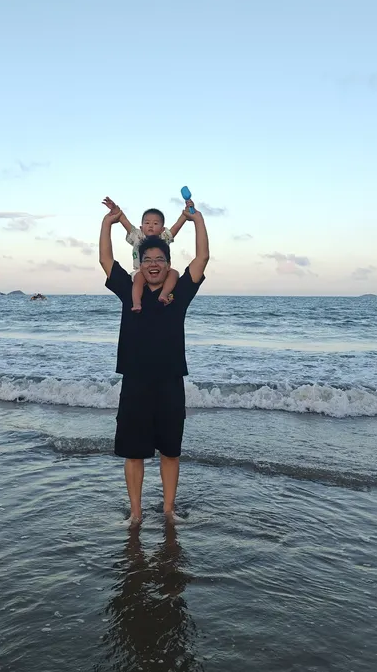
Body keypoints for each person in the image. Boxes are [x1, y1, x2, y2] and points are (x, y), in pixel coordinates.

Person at [99, 197, 209, 524]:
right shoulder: (128, 290)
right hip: (134, 382)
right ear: (141, 263)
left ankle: (168, 510)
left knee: (170, 451)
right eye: (147, 259)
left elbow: (202, 257)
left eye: (160, 259)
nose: (153, 264)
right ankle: (135, 513)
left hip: (171, 381)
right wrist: (107, 223)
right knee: (134, 452)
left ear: (168, 263)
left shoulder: (178, 293)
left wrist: (197, 221)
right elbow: (106, 260)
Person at [102, 197, 189, 312]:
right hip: (140, 270)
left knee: (174, 273)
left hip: (161, 271)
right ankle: (137, 303)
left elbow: (176, 226)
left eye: (155, 223)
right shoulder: (138, 236)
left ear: (163, 229)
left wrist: (185, 214)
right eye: (147, 223)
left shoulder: (164, 238)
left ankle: (164, 294)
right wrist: (116, 210)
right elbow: (125, 222)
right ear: (141, 227)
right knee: (138, 278)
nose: (151, 226)